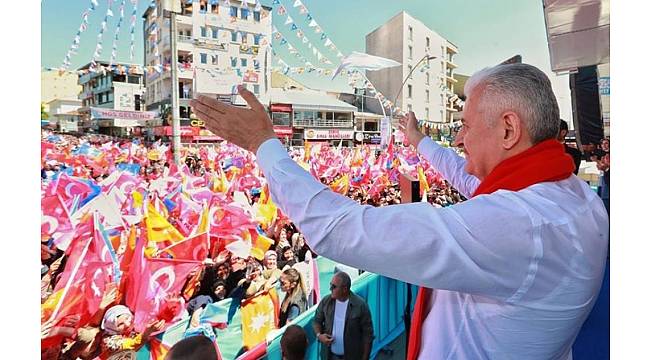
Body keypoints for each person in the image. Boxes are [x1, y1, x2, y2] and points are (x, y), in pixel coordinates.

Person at [189, 63, 609, 359]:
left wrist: (264, 144)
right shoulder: (572, 195)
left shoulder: (519, 226)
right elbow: (472, 182)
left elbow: (344, 229)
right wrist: (420, 143)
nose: (460, 138)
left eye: (465, 124)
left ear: (508, 129)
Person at [312, 272, 374, 360]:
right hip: (329, 356)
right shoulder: (326, 302)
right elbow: (316, 321)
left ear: (344, 289)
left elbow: (368, 336)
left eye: (334, 286)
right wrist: (319, 336)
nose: (330, 289)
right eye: (330, 285)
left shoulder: (360, 305)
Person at [99, 305, 165, 358]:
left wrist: (169, 308)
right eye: (120, 324)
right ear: (113, 328)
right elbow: (129, 345)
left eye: (127, 318)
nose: (127, 324)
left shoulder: (133, 326)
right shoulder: (109, 342)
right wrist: (146, 333)